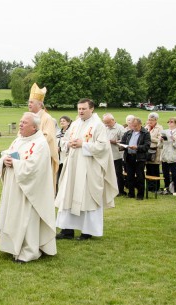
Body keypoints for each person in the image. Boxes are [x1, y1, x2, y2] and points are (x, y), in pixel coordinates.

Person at [0, 112, 57, 262]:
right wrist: (5, 161)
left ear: (34, 127)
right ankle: (12, 246)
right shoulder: (18, 140)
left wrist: (14, 163)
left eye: (24, 123)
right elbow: (7, 154)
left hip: (29, 192)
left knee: (27, 220)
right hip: (14, 188)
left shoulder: (40, 144)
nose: (21, 124)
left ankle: (29, 251)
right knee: (14, 217)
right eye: (21, 121)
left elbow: (34, 168)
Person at [55, 98, 118, 240]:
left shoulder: (98, 125)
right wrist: (68, 144)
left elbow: (103, 147)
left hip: (89, 168)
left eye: (84, 109)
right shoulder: (75, 124)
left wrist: (84, 144)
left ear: (92, 109)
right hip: (72, 166)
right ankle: (67, 230)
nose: (81, 111)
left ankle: (87, 231)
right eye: (79, 109)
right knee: (68, 195)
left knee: (87, 198)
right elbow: (64, 140)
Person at [27, 83, 58, 192]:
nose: (29, 104)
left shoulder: (47, 118)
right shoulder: (28, 117)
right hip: (29, 155)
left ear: (40, 104)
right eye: (29, 102)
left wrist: (30, 143)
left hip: (42, 156)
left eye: (31, 102)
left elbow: (47, 136)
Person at [120, 117, 151, 200]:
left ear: (140, 124)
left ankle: (140, 195)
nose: (134, 127)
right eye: (132, 126)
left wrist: (137, 147)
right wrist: (121, 146)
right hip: (129, 156)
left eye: (135, 126)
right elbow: (123, 142)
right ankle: (131, 193)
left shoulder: (145, 133)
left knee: (140, 176)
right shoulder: (128, 133)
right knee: (129, 176)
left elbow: (147, 146)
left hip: (139, 158)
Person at [158, 117, 176, 195]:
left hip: (174, 156)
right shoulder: (165, 131)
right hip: (165, 156)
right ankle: (166, 189)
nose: (170, 123)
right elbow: (159, 146)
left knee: (174, 174)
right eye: (168, 122)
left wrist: (174, 140)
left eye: (171, 122)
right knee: (165, 174)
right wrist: (160, 141)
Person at [102, 113, 126, 196]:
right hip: (106, 154)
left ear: (113, 120)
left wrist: (114, 141)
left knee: (118, 173)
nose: (106, 124)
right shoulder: (105, 128)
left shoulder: (120, 128)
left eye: (108, 122)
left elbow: (124, 141)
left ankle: (120, 190)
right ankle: (109, 189)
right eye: (105, 122)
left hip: (117, 155)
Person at [145, 112, 163, 191]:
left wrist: (149, 137)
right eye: (149, 120)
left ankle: (156, 187)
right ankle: (149, 187)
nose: (150, 122)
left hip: (155, 151)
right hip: (147, 151)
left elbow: (159, 140)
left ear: (156, 120)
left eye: (152, 120)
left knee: (155, 170)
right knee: (148, 169)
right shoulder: (146, 127)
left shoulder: (159, 128)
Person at [56, 115, 72, 192]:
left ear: (68, 122)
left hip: (65, 156)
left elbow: (69, 143)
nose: (62, 122)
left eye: (64, 121)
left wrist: (61, 148)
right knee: (57, 175)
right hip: (57, 157)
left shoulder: (70, 132)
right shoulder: (58, 132)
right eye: (61, 121)